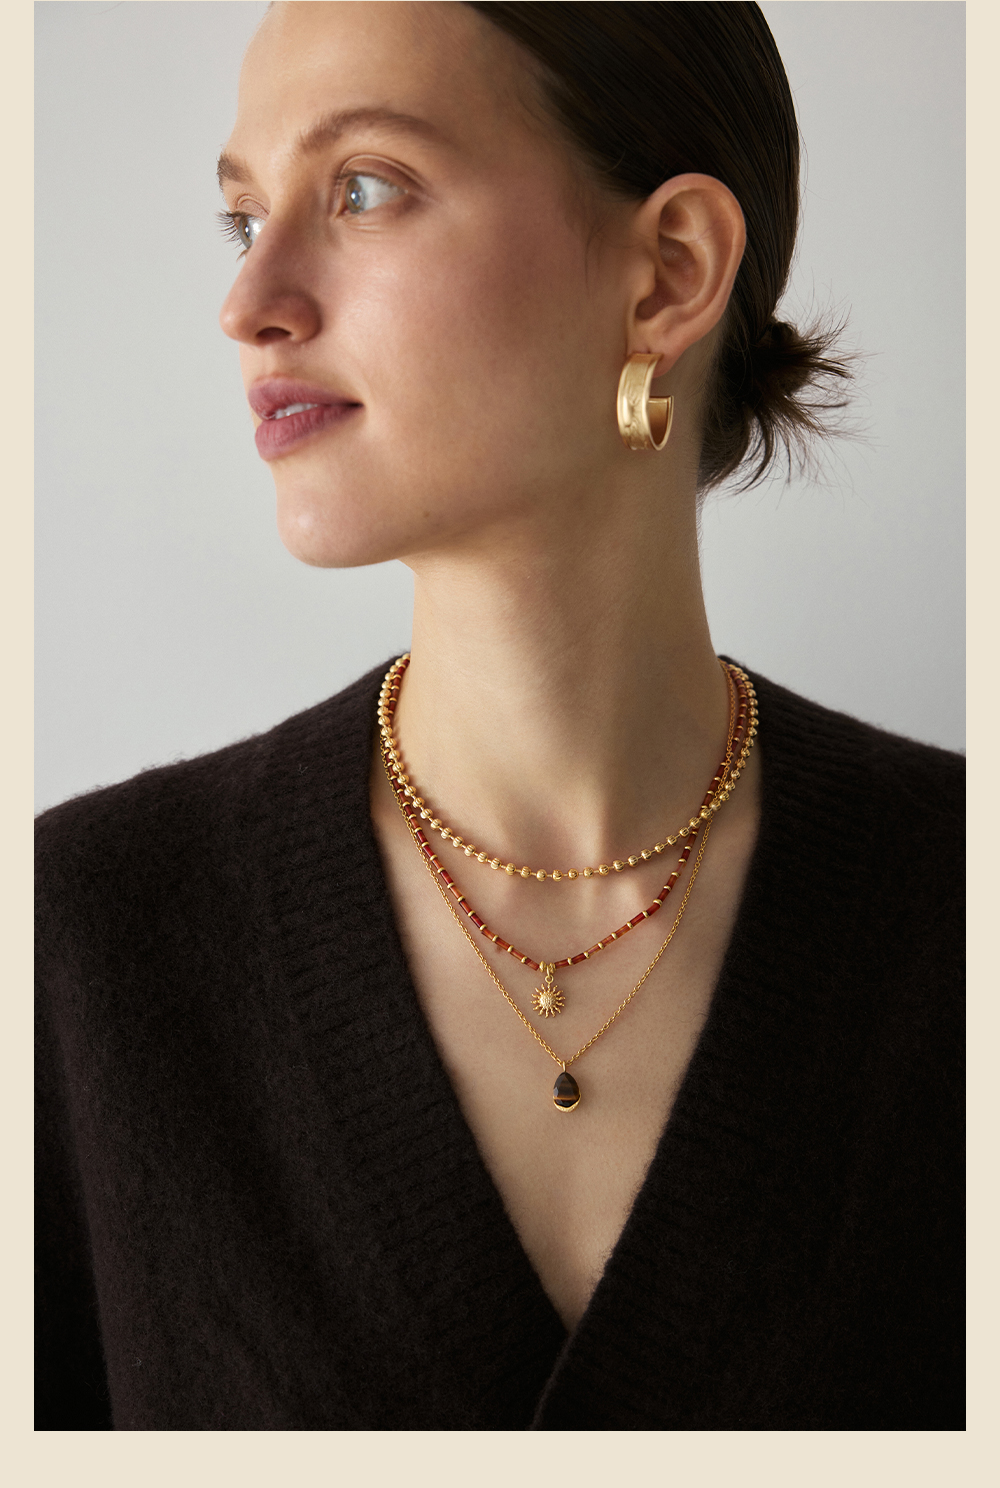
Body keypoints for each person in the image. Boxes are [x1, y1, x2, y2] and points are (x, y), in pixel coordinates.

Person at [35, 1, 963, 1431]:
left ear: (668, 272)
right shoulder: (82, 942)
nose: (250, 301)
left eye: (363, 189)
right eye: (244, 217)